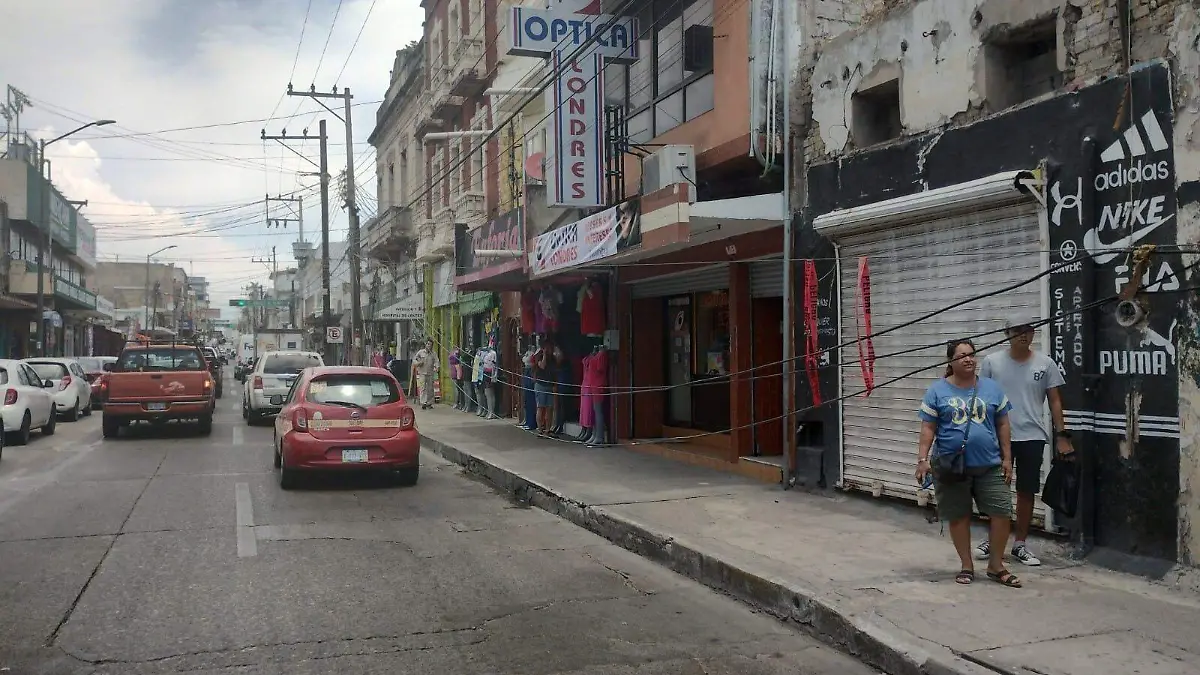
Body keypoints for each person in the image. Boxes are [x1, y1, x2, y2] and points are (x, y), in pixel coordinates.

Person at [915, 339, 1022, 588]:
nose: (968, 359)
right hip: (951, 467)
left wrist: (1007, 459)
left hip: (990, 464)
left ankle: (996, 566)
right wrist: (922, 460)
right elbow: (928, 427)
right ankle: (966, 565)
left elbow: (1003, 424)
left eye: (971, 354)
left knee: (1001, 512)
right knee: (958, 515)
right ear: (950, 361)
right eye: (962, 355)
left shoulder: (992, 389)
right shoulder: (937, 391)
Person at [976, 317, 1074, 566]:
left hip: (1032, 435)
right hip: (998, 436)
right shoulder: (992, 362)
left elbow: (1054, 400)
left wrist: (1062, 435)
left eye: (1028, 330)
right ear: (1006, 333)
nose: (1023, 335)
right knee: (997, 490)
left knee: (1026, 490)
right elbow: (981, 399)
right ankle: (993, 539)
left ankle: (1020, 543)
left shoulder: (1045, 363)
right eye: (1017, 330)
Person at [533, 338, 557, 436]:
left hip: (550, 385)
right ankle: (540, 429)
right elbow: (542, 366)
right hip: (540, 385)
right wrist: (544, 355)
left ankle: (548, 429)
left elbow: (558, 362)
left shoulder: (554, 358)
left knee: (549, 408)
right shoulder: (539, 356)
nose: (549, 349)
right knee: (540, 407)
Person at [412, 339, 438, 410]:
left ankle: (429, 403)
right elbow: (414, 359)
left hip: (430, 373)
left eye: (431, 345)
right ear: (426, 344)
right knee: (423, 388)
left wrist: (436, 367)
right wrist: (417, 363)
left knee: (430, 389)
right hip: (422, 373)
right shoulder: (421, 352)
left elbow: (436, 361)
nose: (429, 346)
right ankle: (423, 403)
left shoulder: (433, 353)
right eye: (428, 344)